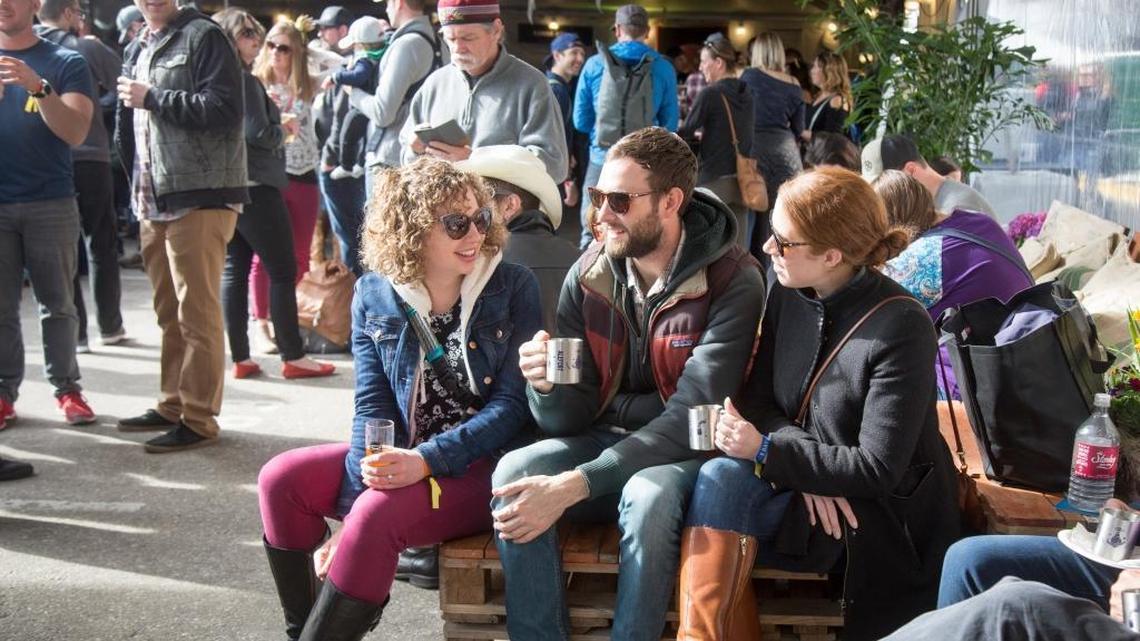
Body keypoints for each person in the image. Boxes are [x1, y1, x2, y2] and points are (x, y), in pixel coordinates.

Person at [491, 127, 766, 641]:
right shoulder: (589, 273)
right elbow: (569, 418)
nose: (600, 214)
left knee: (647, 492)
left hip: (690, 450)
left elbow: (691, 418)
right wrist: (545, 387)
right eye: (597, 197)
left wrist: (574, 483)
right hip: (605, 439)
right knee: (516, 470)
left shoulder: (733, 279)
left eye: (619, 200)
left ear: (671, 202)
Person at [257, 156, 542, 640]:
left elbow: (512, 409)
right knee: (280, 479)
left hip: (485, 466)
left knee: (375, 513)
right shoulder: (374, 293)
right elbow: (373, 408)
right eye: (456, 224)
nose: (474, 234)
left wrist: (426, 460)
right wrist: (349, 510)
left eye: (481, 218)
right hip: (407, 458)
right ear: (412, 231)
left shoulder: (512, 286)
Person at [675, 167, 959, 641]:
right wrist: (795, 465)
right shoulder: (791, 292)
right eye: (771, 235)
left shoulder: (902, 327)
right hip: (810, 495)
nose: (767, 248)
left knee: (719, 481)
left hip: (870, 523)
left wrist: (770, 453)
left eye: (783, 242)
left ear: (833, 254)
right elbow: (758, 401)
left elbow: (876, 470)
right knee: (717, 476)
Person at [114, 0, 247, 452]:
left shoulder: (203, 35)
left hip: (201, 195)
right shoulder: (141, 41)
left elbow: (226, 107)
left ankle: (198, 417)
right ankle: (172, 404)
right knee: (169, 312)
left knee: (197, 315)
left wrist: (152, 97)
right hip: (153, 197)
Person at [212, 8, 335, 382]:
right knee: (281, 269)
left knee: (237, 268)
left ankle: (241, 356)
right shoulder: (244, 81)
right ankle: (293, 355)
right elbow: (257, 134)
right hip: (258, 185)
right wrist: (281, 129)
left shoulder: (223, 78)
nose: (257, 41)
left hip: (233, 183)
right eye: (249, 33)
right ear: (233, 39)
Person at [1, 0, 97, 428]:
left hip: (50, 200)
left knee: (57, 303)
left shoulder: (65, 60)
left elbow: (76, 132)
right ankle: (3, 394)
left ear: (36, 3)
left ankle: (67, 388)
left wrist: (39, 88)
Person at [874, 170, 1032, 399]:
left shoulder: (925, 256)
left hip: (984, 386)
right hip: (1025, 355)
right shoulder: (978, 221)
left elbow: (875, 317)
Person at [35, 0, 127, 353]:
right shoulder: (85, 46)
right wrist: (99, 109)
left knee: (62, 247)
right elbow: (124, 85)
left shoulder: (25, 47)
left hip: (46, 155)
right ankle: (110, 326)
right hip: (90, 152)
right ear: (71, 13)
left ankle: (78, 333)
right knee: (100, 240)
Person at [400, 0, 567, 185]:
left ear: (496, 30)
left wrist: (476, 160)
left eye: (468, 38)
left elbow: (554, 166)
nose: (457, 48)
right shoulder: (434, 84)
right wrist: (414, 151)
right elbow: (403, 160)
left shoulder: (532, 85)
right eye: (450, 39)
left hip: (503, 211)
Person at [573, 4, 679, 249]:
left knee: (593, 227)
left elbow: (581, 121)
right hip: (643, 162)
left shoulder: (594, 65)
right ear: (647, 31)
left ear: (618, 29)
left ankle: (587, 280)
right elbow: (670, 124)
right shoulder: (662, 66)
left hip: (602, 158)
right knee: (638, 229)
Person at [252, 20, 322, 354]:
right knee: (265, 255)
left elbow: (339, 64)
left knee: (300, 255)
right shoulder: (257, 84)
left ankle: (287, 319)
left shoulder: (307, 84)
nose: (276, 53)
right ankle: (261, 322)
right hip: (272, 174)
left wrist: (305, 44)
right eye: (271, 45)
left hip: (306, 173)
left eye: (284, 47)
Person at [457, 144, 579, 331]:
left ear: (510, 205)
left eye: (480, 199)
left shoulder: (477, 260)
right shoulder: (583, 261)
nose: (472, 210)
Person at [677, 33, 754, 248]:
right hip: (742, 181)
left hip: (714, 179)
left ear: (718, 63)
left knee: (701, 246)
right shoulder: (748, 92)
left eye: (703, 62)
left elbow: (686, 131)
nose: (700, 67)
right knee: (737, 249)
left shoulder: (710, 93)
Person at [739, 32, 804, 262]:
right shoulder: (795, 83)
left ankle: (751, 273)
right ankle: (782, 274)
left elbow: (739, 116)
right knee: (784, 217)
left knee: (752, 215)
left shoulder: (747, 76)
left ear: (757, 52)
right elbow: (799, 129)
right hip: (787, 153)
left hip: (755, 150)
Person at [862, 133, 998, 219]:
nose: (880, 193)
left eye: (883, 184)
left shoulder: (957, 208)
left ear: (910, 170)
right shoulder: (934, 202)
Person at [323, 16, 387, 181]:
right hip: (372, 105)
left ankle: (346, 165)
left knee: (348, 135)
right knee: (366, 138)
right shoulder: (384, 55)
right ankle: (359, 164)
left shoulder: (364, 60)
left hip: (362, 106)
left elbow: (358, 76)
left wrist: (336, 77)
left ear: (360, 44)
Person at [545, 32, 587, 209]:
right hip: (553, 174)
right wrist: (568, 179)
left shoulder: (554, 86)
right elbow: (553, 137)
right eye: (574, 52)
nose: (580, 59)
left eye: (583, 54)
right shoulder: (556, 91)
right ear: (557, 55)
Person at [806, 51, 852, 138]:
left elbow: (833, 137)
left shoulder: (837, 100)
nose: (812, 71)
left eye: (816, 67)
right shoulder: (819, 96)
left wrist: (801, 132)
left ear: (829, 71)